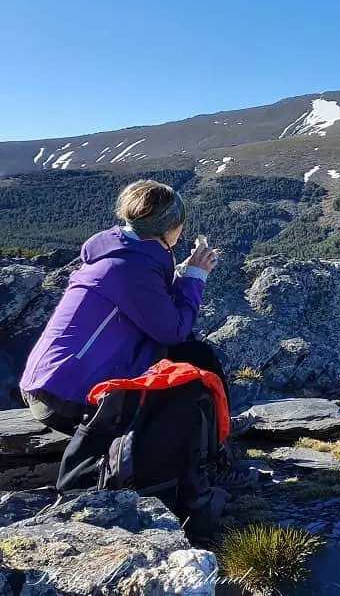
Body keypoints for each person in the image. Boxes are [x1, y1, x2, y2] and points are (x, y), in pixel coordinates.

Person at [18, 180, 257, 450]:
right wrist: (195, 277)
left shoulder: (121, 252)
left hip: (51, 383)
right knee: (194, 359)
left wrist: (181, 274)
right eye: (180, 224)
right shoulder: (130, 268)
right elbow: (173, 331)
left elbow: (150, 303)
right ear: (168, 228)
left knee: (189, 355)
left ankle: (217, 423)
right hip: (66, 399)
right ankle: (213, 437)